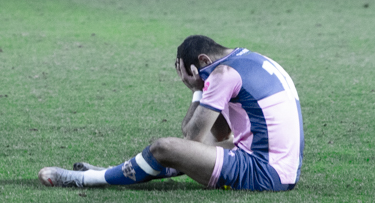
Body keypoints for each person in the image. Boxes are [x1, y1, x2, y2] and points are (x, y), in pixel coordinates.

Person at [39, 35, 304, 191]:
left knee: (165, 148)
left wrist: (196, 89)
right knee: (208, 147)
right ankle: (112, 170)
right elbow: (221, 133)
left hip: (264, 173)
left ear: (203, 61)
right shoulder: (249, 59)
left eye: (191, 74)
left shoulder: (222, 74)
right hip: (284, 169)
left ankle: (85, 179)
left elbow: (192, 138)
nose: (196, 80)